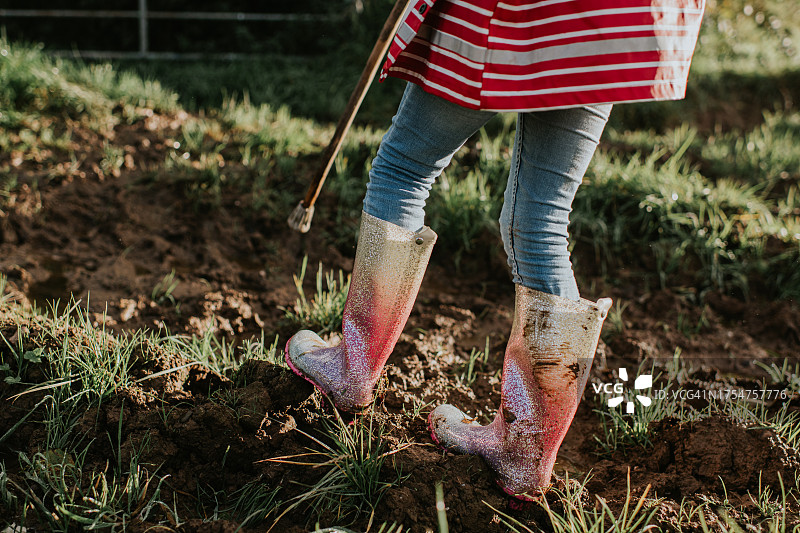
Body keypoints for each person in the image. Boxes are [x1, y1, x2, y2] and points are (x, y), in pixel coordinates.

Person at [286, 0, 705, 499]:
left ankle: (351, 369)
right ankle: (523, 454)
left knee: (403, 169)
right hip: (599, 23)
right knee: (542, 222)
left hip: (511, 12)